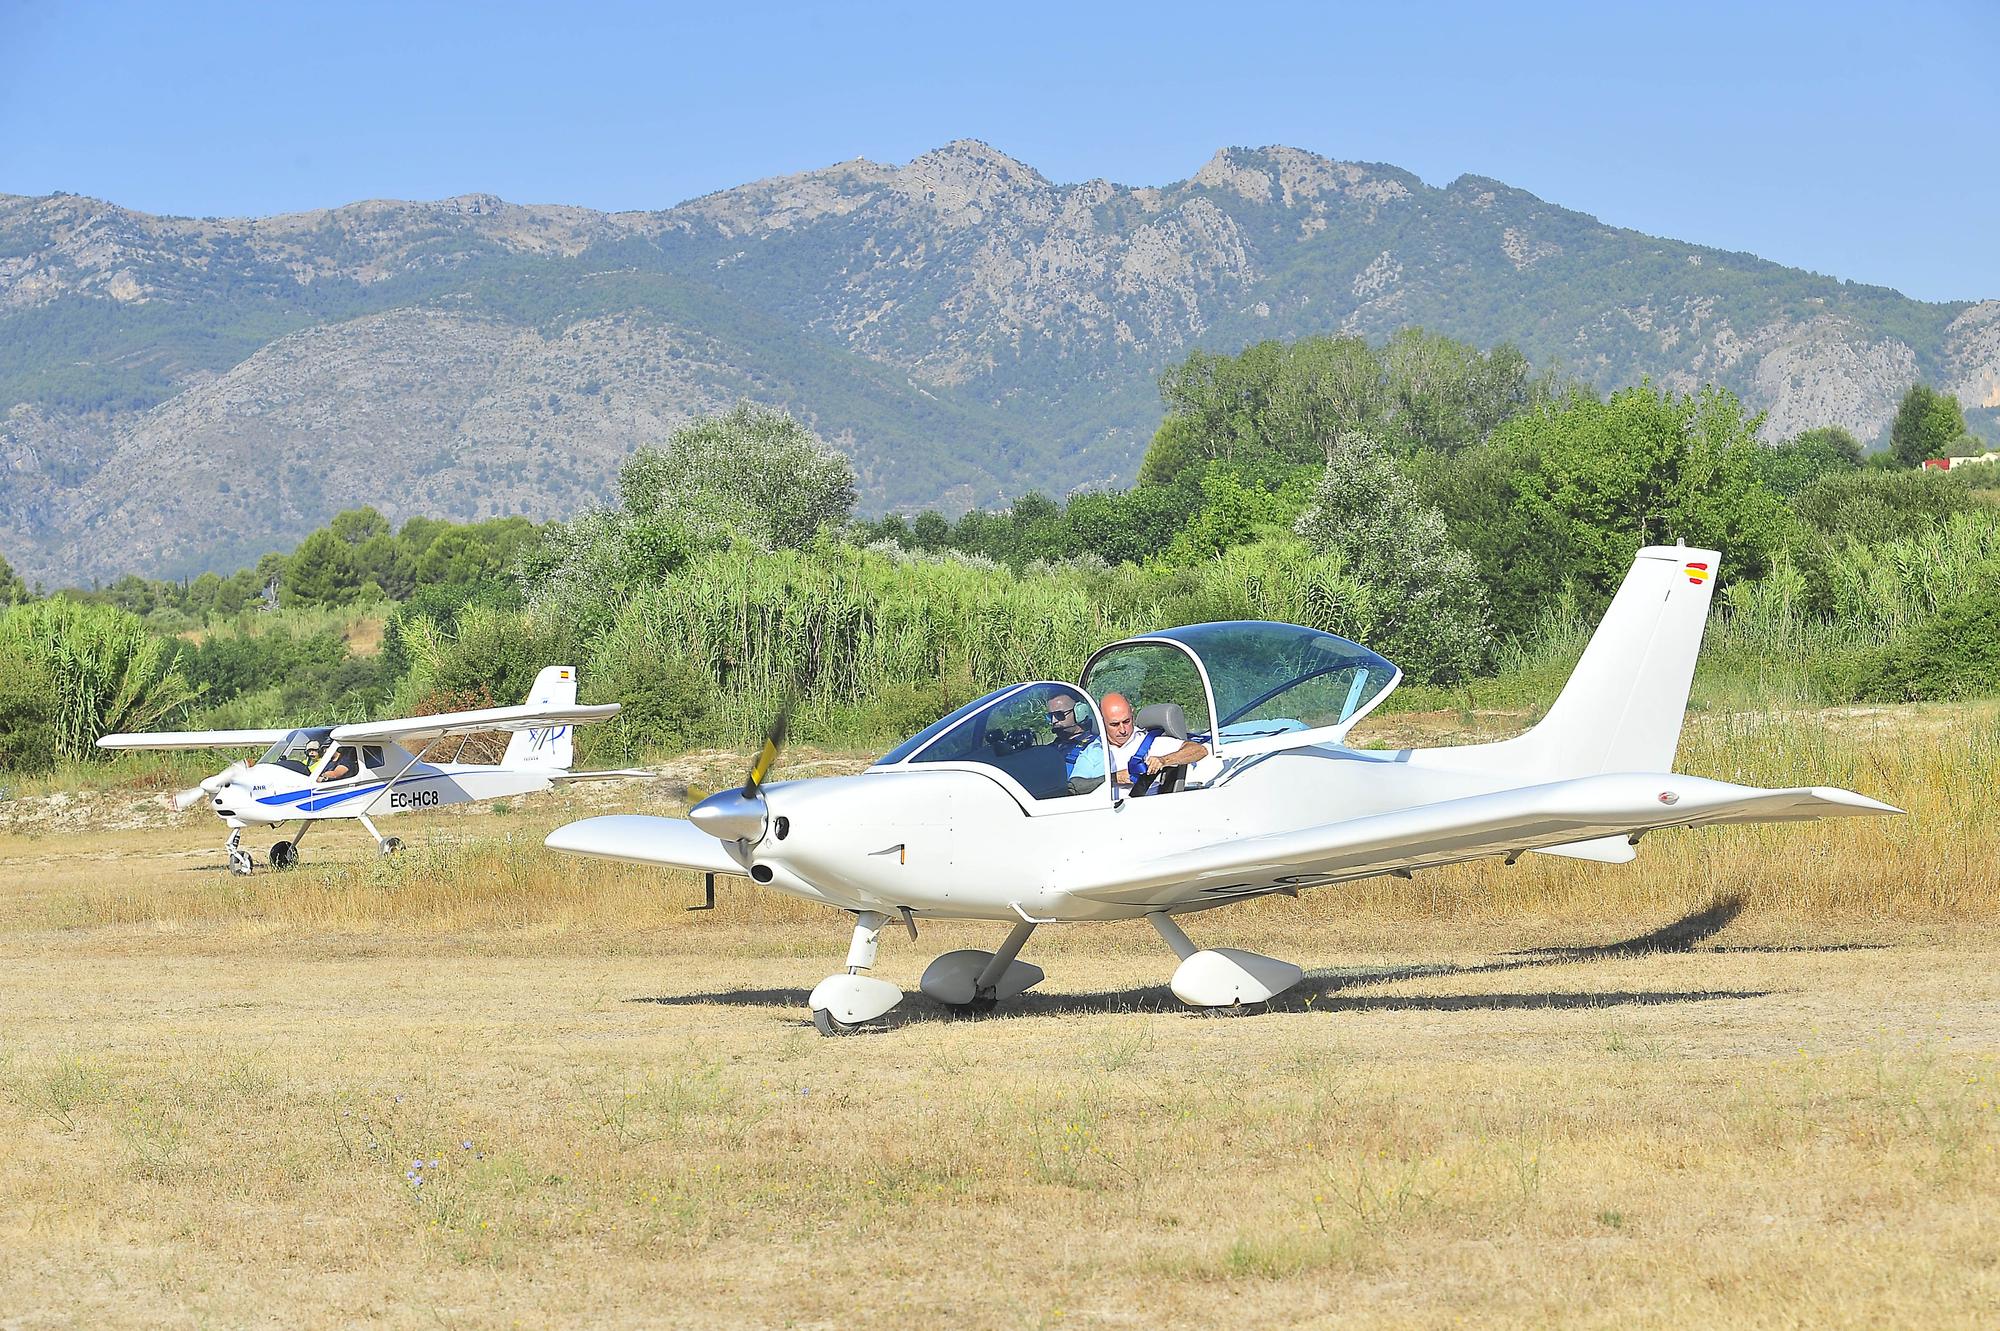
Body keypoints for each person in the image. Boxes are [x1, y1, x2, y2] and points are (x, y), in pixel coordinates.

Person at [1071, 691, 1208, 795]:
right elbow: (1074, 786)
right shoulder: (1094, 750)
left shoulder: (1151, 742)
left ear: (1133, 715)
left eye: (1126, 721)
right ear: (1102, 722)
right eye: (1114, 724)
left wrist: (1164, 760)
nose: (1123, 730)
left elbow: (1199, 750)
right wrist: (1114, 778)